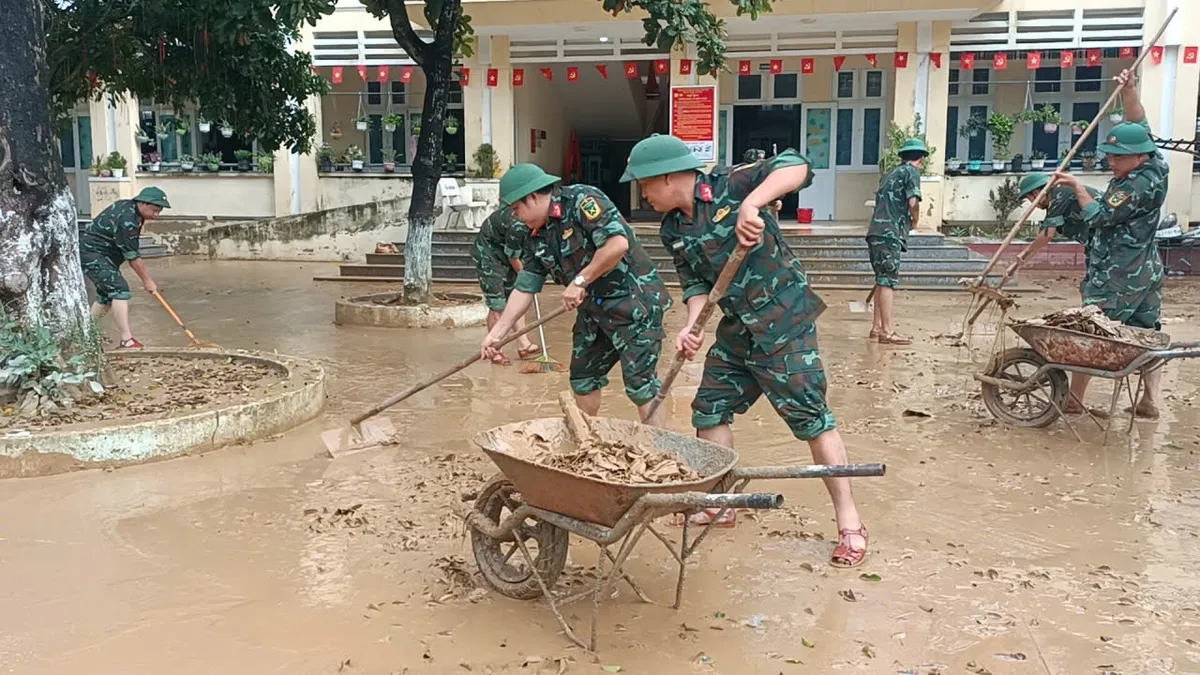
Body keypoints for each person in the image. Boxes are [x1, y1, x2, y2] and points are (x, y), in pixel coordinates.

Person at [621, 134, 869, 568]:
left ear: (665, 176)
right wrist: (693, 326)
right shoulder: (671, 229)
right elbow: (696, 284)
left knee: (812, 419)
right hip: (738, 331)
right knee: (709, 409)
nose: (641, 192)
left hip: (785, 322)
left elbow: (796, 164)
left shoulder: (730, 185)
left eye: (643, 183)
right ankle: (720, 504)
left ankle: (850, 522)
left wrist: (753, 205)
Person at [480, 164, 671, 424]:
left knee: (641, 385)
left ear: (533, 197)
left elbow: (617, 244)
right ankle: (587, 442)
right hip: (594, 310)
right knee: (583, 379)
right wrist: (497, 334)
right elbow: (525, 285)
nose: (516, 217)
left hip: (634, 303)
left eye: (516, 209)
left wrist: (581, 280)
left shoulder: (583, 201)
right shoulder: (534, 234)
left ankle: (658, 451)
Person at [1052, 68, 1167, 418]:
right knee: (1147, 334)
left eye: (1117, 157)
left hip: (1118, 276)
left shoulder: (1135, 188)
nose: (1111, 162)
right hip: (1146, 271)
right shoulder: (1156, 165)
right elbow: (1141, 123)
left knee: (1092, 332)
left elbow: (1099, 216)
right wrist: (1129, 90)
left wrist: (1077, 188)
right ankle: (1149, 401)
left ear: (1138, 157)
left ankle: (1074, 399)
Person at [79, 187, 169, 349]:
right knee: (120, 290)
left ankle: (86, 335)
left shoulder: (131, 209)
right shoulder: (127, 218)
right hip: (93, 254)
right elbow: (132, 256)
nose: (156, 215)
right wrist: (147, 281)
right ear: (142, 203)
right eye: (155, 210)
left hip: (104, 256)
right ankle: (127, 340)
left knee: (106, 296)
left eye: (159, 211)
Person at [865, 138, 928, 345]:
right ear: (920, 158)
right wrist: (916, 221)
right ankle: (888, 331)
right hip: (890, 232)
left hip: (875, 231)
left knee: (881, 279)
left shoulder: (889, 174)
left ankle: (876, 328)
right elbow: (913, 202)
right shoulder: (912, 172)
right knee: (888, 281)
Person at [1007, 173, 1102, 290]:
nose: (1032, 204)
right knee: (1089, 287)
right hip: (1097, 241)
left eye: (1029, 199)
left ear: (1036, 193)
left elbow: (1047, 235)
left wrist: (1024, 254)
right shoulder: (1057, 200)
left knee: (1095, 288)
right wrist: (1017, 265)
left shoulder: (1059, 195)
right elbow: (1043, 236)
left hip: (1109, 240)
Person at [472, 208, 539, 365]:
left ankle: (523, 344)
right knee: (498, 305)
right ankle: (495, 350)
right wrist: (528, 279)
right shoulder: (518, 225)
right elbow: (513, 257)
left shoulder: (540, 223)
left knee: (515, 296)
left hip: (507, 253)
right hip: (489, 255)